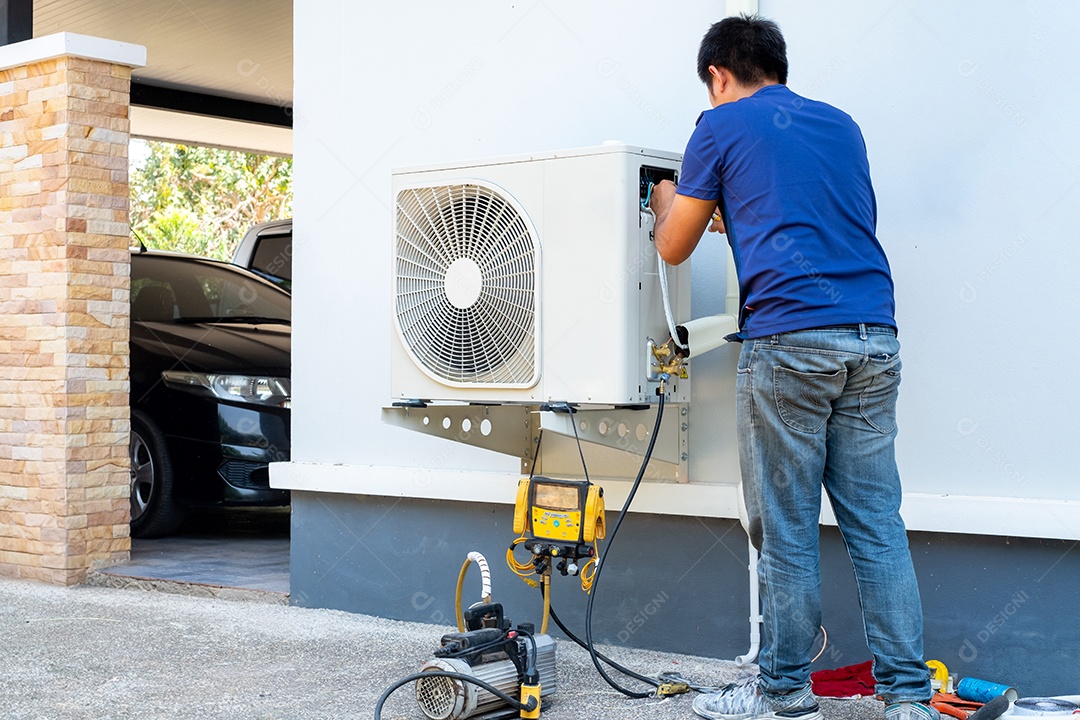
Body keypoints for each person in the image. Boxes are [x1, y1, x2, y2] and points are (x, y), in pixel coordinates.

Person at [648, 15, 936, 720]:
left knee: (785, 526)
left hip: (791, 343)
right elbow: (813, 213)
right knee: (877, 523)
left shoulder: (717, 127)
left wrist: (668, 203)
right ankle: (907, 700)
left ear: (718, 75)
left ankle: (782, 690)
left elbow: (674, 249)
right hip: (874, 336)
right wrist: (734, 213)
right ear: (776, 64)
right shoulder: (841, 125)